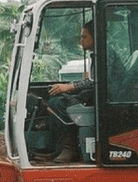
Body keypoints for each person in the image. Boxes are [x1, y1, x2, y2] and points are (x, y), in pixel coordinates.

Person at [45, 21, 122, 163]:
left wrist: (70, 87)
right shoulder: (98, 54)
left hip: (104, 100)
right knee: (56, 99)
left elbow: (96, 82)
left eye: (83, 37)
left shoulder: (105, 55)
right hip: (95, 96)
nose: (81, 41)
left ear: (95, 37)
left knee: (59, 103)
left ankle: (71, 148)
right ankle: (61, 147)